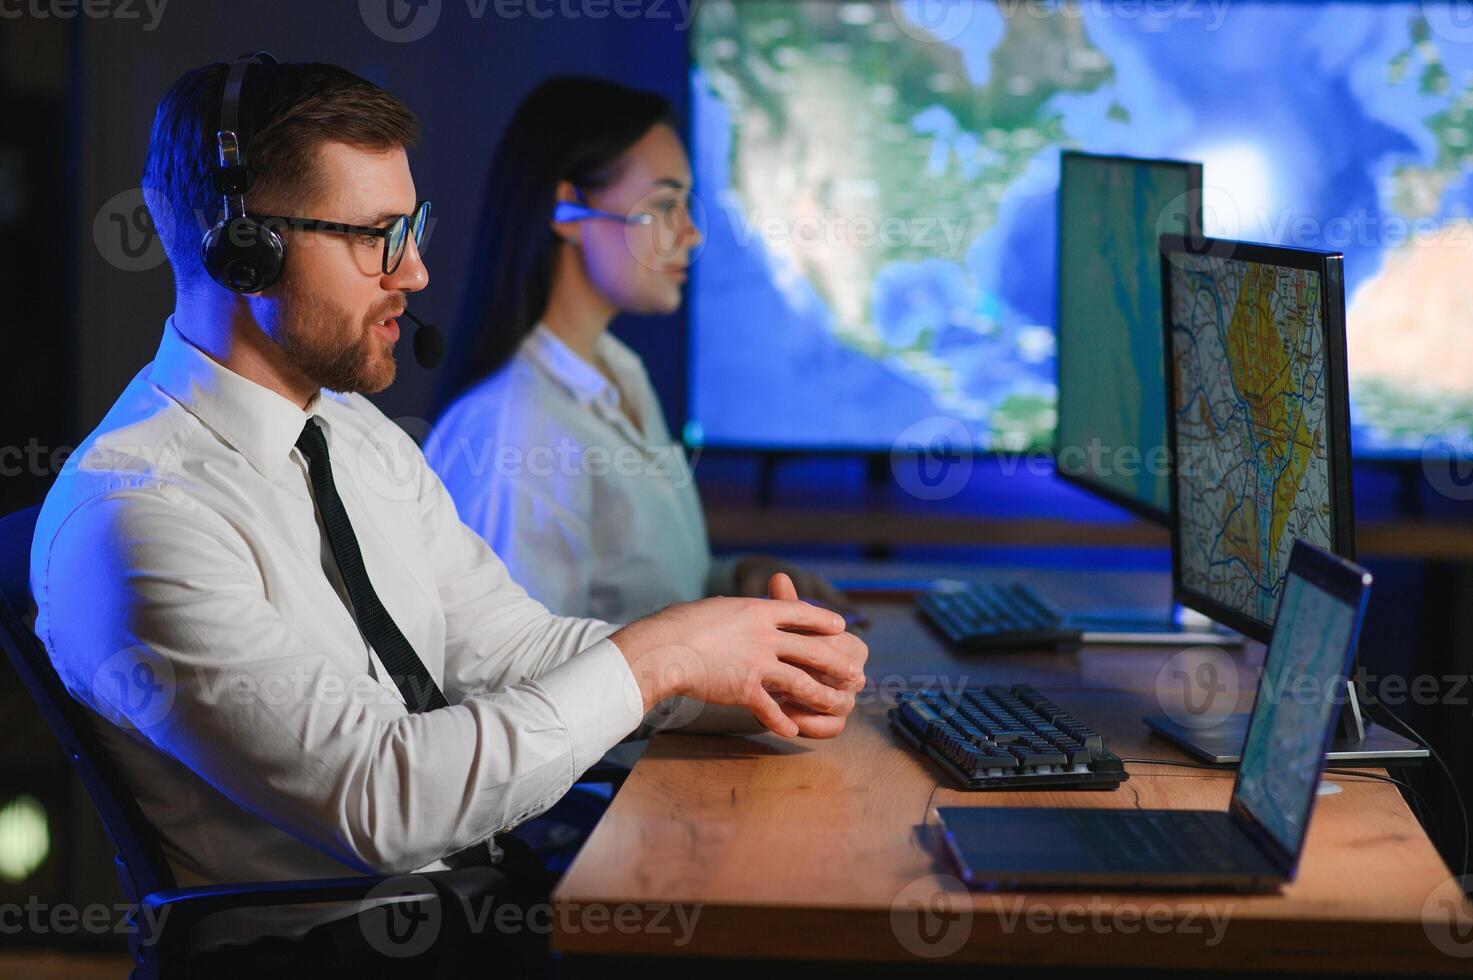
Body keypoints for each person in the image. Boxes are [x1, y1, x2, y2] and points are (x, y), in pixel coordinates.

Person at [29, 56, 866, 972]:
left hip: (473, 907)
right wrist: (660, 653)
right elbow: (385, 802)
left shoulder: (356, 438)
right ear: (245, 248)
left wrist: (738, 675)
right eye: (378, 235)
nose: (417, 271)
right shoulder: (137, 518)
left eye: (413, 228)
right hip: (332, 952)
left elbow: (507, 650)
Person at [426, 76, 858, 626]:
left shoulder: (619, 375)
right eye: (665, 205)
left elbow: (640, 594)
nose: (691, 234)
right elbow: (522, 683)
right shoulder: (515, 428)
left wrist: (736, 580)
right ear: (569, 213)